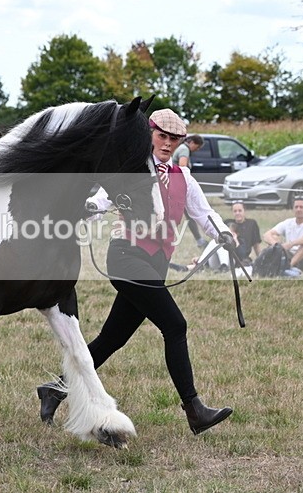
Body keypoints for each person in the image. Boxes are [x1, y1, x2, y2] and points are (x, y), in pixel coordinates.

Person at [37, 108, 235, 436]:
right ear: (149, 134)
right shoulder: (131, 172)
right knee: (175, 325)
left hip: (155, 264)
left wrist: (224, 234)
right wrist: (85, 211)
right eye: (162, 136)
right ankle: (194, 409)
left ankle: (55, 389)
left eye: (175, 139)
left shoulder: (183, 178)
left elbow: (204, 213)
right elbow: (101, 201)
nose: (168, 144)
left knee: (112, 338)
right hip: (126, 257)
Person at [262, 197, 303, 274]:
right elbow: (266, 235)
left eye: (301, 207)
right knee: (272, 243)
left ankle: (288, 266)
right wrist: (277, 245)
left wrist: (291, 244)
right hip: (289, 255)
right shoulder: (288, 223)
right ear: (293, 209)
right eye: (296, 207)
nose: (298, 209)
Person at [172, 134, 207, 248]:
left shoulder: (182, 148)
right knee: (188, 214)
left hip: (176, 186)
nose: (196, 150)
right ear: (192, 143)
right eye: (197, 147)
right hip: (178, 188)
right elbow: (182, 168)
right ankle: (199, 240)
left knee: (189, 215)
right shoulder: (184, 150)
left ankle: (199, 240)